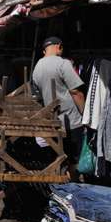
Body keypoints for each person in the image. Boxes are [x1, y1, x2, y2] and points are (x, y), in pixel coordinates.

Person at [32, 36, 85, 182]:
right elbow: (76, 92)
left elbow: (39, 94)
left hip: (53, 120)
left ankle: (61, 186)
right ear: (59, 46)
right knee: (74, 161)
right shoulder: (63, 63)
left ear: (44, 51)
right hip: (71, 120)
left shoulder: (37, 66)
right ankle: (71, 190)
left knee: (60, 157)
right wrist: (86, 115)